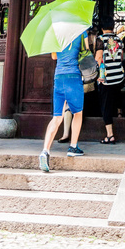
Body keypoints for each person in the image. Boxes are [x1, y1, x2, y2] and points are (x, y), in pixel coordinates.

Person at [39, 31, 88, 172]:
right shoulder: (81, 31)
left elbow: (54, 56)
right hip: (74, 76)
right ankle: (73, 146)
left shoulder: (56, 33)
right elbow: (86, 52)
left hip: (59, 77)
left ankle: (45, 151)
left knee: (57, 117)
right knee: (78, 113)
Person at [95, 18, 125, 144]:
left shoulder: (101, 39)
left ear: (102, 28)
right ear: (113, 28)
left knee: (106, 105)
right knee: (116, 98)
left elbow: (98, 58)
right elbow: (121, 56)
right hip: (118, 77)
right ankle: (119, 113)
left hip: (106, 78)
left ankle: (110, 135)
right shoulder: (119, 39)